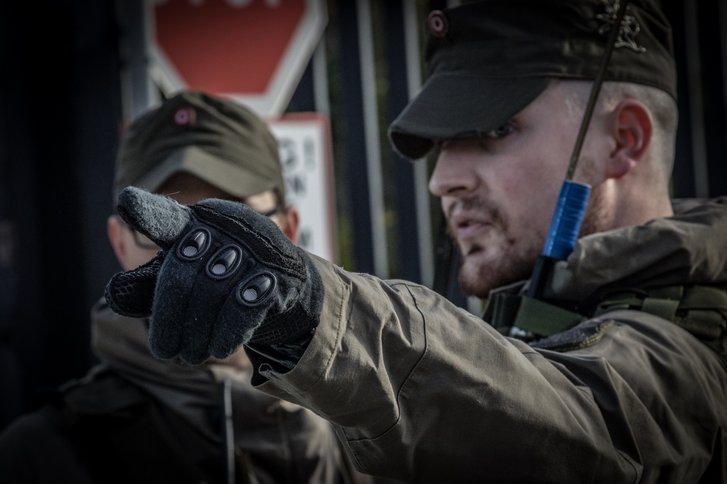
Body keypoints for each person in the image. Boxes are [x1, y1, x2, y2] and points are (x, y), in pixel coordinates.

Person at [103, 1, 725, 482]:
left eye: (494, 130)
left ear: (623, 140)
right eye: (441, 146)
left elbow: (586, 431)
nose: (442, 179)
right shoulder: (539, 318)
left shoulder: (696, 358)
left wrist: (308, 313)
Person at [0, 91, 369, 484]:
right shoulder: (37, 458)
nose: (197, 255)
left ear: (288, 231)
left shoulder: (374, 432)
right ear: (119, 242)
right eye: (161, 225)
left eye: (233, 218)